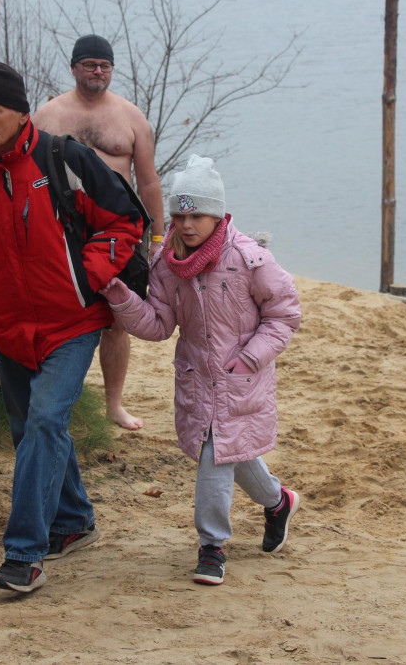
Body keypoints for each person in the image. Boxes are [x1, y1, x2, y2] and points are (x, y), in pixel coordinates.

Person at [0, 62, 145, 594]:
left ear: (20, 112)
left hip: (71, 323)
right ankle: (73, 522)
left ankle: (23, 555)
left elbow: (125, 220)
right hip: (5, 327)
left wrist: (87, 277)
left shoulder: (64, 158)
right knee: (32, 431)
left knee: (45, 423)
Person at [98, 155, 302, 585]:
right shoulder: (166, 265)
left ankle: (212, 547)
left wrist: (250, 357)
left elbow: (284, 315)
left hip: (242, 376)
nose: (187, 225)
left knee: (215, 456)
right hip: (196, 377)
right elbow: (158, 326)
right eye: (179, 215)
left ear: (218, 215)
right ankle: (278, 502)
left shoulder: (249, 259)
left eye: (198, 215)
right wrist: (120, 296)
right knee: (231, 452)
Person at [34, 34, 164, 431]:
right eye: (89, 64)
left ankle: (113, 404)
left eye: (104, 65)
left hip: (119, 230)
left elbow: (149, 183)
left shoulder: (130, 117)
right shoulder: (47, 116)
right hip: (63, 228)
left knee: (117, 319)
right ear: (74, 68)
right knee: (58, 313)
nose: (97, 71)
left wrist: (157, 238)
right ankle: (54, 399)